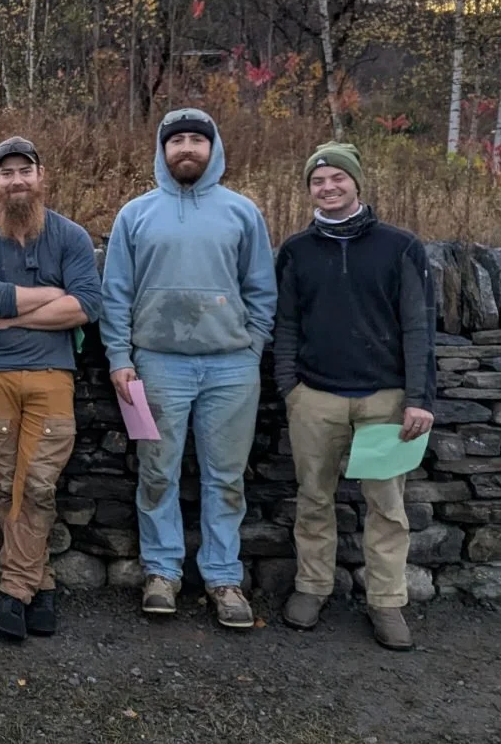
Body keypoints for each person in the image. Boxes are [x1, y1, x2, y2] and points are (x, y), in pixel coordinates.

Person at [101, 108, 277, 628]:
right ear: (162, 151)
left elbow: (261, 290)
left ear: (213, 148)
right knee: (157, 472)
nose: (186, 149)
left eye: (195, 141)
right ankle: (162, 572)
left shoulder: (242, 213)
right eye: (175, 140)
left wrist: (252, 349)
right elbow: (116, 294)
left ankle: (223, 578)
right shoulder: (135, 215)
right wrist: (119, 357)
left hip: (231, 368)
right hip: (157, 366)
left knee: (226, 477)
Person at [274, 142, 434, 651]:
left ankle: (387, 602)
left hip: (384, 399)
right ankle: (312, 587)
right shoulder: (296, 251)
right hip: (315, 397)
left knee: (386, 506)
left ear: (356, 182)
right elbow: (285, 325)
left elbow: (417, 325)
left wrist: (419, 396)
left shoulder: (400, 246)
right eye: (317, 181)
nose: (328, 187)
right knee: (313, 499)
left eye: (337, 178)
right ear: (309, 191)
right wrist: (289, 389)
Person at [0, 137, 101, 640]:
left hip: (52, 378)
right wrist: (51, 300)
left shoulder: (71, 237)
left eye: (25, 171)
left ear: (41, 176)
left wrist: (16, 317)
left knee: (37, 484)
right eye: (6, 173)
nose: (16, 180)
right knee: (6, 484)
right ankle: (43, 582)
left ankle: (14, 589)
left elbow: (86, 306)